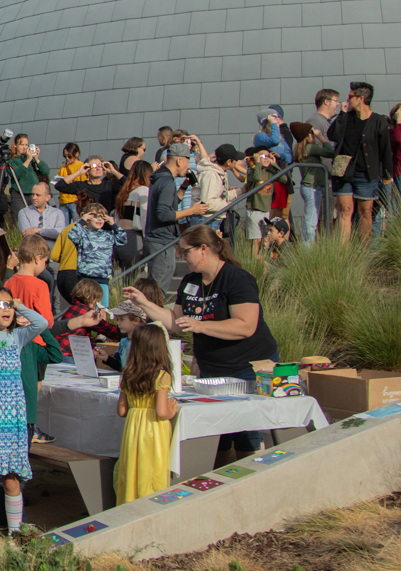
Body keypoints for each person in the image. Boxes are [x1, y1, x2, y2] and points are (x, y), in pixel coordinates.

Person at [124, 225, 277, 454]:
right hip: (212, 371)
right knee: (216, 436)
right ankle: (215, 485)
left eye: (185, 251)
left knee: (246, 433)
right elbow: (176, 321)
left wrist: (201, 325)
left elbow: (246, 326)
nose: (181, 256)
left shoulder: (237, 279)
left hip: (247, 368)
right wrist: (144, 303)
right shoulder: (190, 281)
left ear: (203, 249)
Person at [0, 288, 58, 542]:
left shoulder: (17, 336)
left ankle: (17, 534)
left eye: (8, 304)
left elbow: (41, 323)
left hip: (13, 414)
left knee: (12, 478)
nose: (5, 309)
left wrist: (20, 304)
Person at [114, 322, 180, 504]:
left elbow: (121, 411)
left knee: (132, 468)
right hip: (153, 431)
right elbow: (161, 411)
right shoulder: (162, 375)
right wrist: (172, 410)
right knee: (152, 470)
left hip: (133, 430)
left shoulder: (127, 374)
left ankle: (128, 501)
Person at [328, 81, 393, 241]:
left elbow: (385, 149)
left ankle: (363, 251)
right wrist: (342, 115)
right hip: (344, 172)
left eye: (351, 96)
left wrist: (387, 174)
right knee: (346, 209)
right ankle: (343, 253)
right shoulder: (346, 118)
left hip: (367, 174)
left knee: (365, 212)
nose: (348, 100)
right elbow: (333, 135)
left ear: (361, 98)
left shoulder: (378, 121)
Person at [143, 145, 208, 290]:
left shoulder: (160, 178)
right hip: (162, 240)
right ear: (179, 161)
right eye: (187, 161)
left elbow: (170, 204)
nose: (188, 166)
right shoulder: (167, 182)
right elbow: (165, 214)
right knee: (159, 287)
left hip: (155, 238)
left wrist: (184, 187)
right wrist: (192, 210)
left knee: (155, 285)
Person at [66, 203, 119, 303]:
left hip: (102, 279)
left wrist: (113, 224)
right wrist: (82, 221)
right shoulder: (82, 233)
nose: (99, 219)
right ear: (87, 217)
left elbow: (123, 239)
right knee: (85, 308)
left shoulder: (108, 235)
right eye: (95, 216)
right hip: (85, 279)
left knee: (101, 309)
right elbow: (72, 235)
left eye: (102, 217)